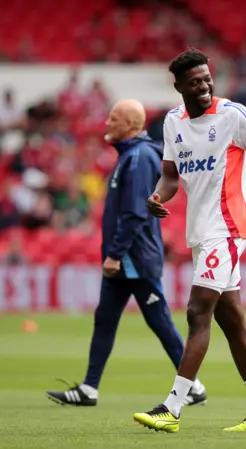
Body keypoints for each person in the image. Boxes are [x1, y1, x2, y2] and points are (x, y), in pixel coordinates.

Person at [132, 49, 246, 433]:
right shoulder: (172, 122)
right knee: (230, 319)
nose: (203, 85)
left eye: (206, 78)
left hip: (229, 228)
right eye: (195, 81)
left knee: (198, 312)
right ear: (179, 85)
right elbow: (170, 176)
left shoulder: (233, 114)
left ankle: (172, 407)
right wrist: (156, 197)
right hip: (201, 232)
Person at [46, 100, 206, 407]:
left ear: (131, 125)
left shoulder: (140, 158)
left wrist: (116, 253)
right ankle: (89, 388)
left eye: (114, 118)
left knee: (159, 321)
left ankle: (194, 386)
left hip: (134, 258)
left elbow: (134, 213)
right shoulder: (129, 157)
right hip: (125, 258)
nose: (106, 123)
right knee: (104, 320)